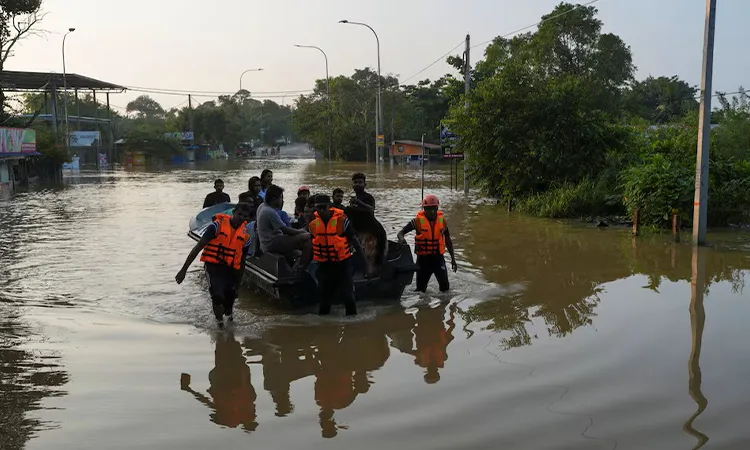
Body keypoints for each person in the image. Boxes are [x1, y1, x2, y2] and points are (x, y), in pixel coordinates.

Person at [175, 202, 253, 328]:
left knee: (230, 299)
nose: (241, 218)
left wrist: (238, 286)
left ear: (248, 219)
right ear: (233, 213)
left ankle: (229, 323)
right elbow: (198, 247)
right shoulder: (216, 227)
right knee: (217, 296)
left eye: (245, 216)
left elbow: (242, 262)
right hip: (213, 266)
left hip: (231, 270)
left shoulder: (246, 237)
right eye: (239, 214)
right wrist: (183, 270)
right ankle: (219, 325)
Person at [308, 195, 370, 316]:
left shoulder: (342, 221)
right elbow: (312, 246)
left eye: (323, 207)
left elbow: (356, 243)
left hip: (342, 265)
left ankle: (352, 327)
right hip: (324, 266)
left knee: (348, 298)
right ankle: (324, 327)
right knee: (324, 301)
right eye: (318, 208)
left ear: (329, 207)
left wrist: (366, 265)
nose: (320, 211)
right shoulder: (314, 225)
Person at [397, 194, 457, 292]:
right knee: (420, 290)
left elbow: (448, 240)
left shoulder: (442, 221)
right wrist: (401, 239)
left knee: (445, 289)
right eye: (428, 209)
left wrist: (453, 259)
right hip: (423, 260)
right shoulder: (417, 221)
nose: (432, 212)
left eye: (434, 209)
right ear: (424, 209)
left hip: (438, 259)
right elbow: (400, 233)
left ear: (437, 208)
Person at [256, 185, 312, 273]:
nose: (282, 200)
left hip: (267, 242)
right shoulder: (269, 211)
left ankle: (294, 270)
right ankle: (298, 271)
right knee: (307, 237)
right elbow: (286, 230)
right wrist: (300, 232)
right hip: (273, 243)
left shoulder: (261, 206)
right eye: (281, 198)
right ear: (274, 199)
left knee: (299, 254)